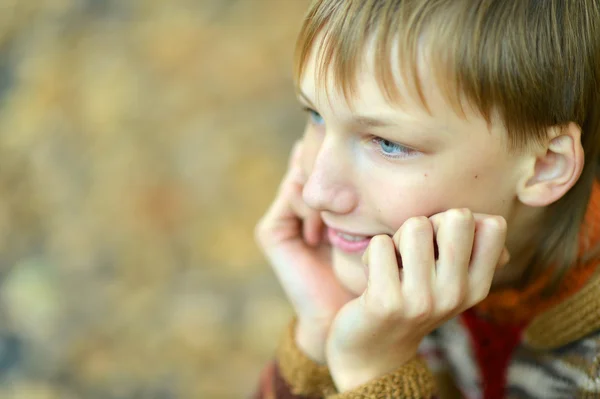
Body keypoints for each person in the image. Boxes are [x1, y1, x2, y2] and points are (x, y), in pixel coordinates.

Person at [253, 1, 600, 398]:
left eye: (388, 143)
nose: (317, 192)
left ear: (545, 165)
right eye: (316, 115)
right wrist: (319, 334)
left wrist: (377, 374)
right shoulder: (397, 275)